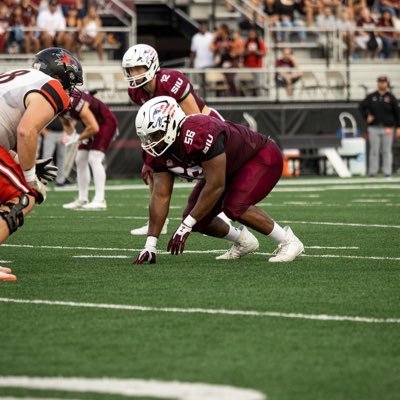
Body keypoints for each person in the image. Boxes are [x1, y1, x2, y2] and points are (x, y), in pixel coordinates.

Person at [133, 96, 304, 265]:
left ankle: (288, 241)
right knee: (196, 217)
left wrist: (185, 227)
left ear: (171, 124)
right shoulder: (157, 152)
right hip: (228, 168)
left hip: (259, 156)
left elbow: (215, 186)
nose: (151, 143)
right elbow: (160, 196)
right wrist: (150, 245)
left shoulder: (198, 132)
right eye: (147, 137)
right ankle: (243, 241)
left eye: (155, 135)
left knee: (234, 206)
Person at [122, 43, 232, 235]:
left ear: (151, 65)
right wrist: (149, 159)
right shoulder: (136, 92)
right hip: (171, 133)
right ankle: (158, 222)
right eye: (130, 69)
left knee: (215, 174)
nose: (133, 73)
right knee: (154, 170)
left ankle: (222, 213)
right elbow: (150, 124)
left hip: (204, 126)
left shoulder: (170, 80)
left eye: (138, 68)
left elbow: (197, 120)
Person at [0, 47, 83, 281]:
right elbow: (26, 132)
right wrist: (31, 179)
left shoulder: (21, 78)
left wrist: (29, 164)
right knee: (23, 197)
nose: (70, 90)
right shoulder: (52, 87)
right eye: (71, 83)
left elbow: (9, 141)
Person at [62, 90, 119, 210]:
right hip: (91, 125)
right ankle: (83, 198)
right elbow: (66, 124)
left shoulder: (75, 99)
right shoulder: (57, 103)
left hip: (105, 123)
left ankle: (100, 199)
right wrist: (71, 136)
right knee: (80, 158)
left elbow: (94, 127)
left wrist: (78, 138)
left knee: (94, 158)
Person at [359, 75, 400, 178]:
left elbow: (397, 113)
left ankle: (387, 172)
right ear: (377, 83)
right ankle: (372, 172)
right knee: (374, 151)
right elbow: (361, 106)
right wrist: (366, 116)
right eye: (380, 82)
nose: (382, 84)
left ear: (387, 83)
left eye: (384, 82)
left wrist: (398, 127)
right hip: (374, 128)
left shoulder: (391, 98)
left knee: (386, 151)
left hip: (388, 128)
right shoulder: (372, 96)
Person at [40, 117, 67, 186]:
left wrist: (67, 131)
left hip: (62, 133)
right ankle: (48, 177)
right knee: (47, 157)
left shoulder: (65, 107)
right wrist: (43, 130)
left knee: (62, 158)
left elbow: (71, 118)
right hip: (50, 132)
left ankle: (60, 181)